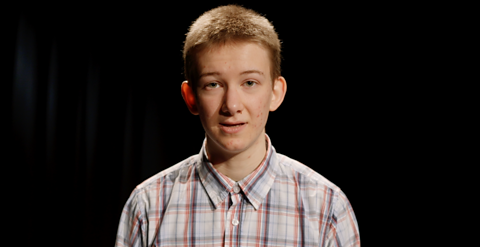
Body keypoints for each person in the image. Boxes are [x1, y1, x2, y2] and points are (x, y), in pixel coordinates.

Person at [115, 5, 360, 247]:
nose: (231, 105)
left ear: (275, 92)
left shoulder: (328, 209)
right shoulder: (148, 206)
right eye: (213, 84)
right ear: (191, 97)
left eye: (250, 82)